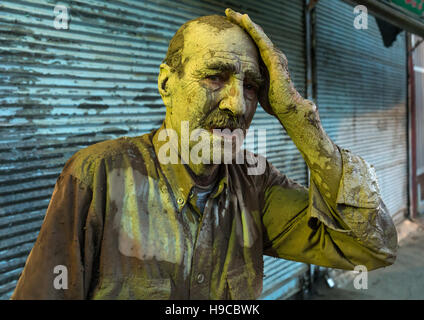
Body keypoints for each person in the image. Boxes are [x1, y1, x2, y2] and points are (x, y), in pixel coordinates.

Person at [11, 8, 398, 300]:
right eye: (216, 76)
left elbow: (373, 248)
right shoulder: (97, 174)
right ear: (167, 83)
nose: (237, 104)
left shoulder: (256, 185)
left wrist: (297, 116)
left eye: (251, 86)